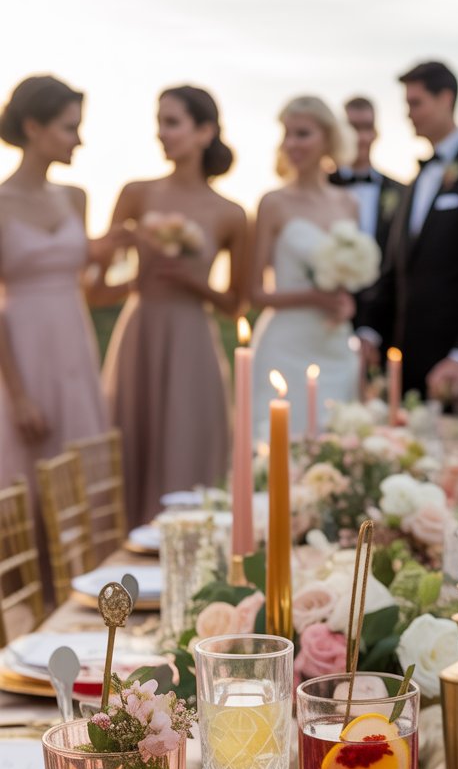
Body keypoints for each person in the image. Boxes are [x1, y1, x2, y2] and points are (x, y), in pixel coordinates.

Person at [100, 85, 247, 527]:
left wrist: (192, 283)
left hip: (191, 341)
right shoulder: (135, 194)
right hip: (139, 333)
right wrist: (131, 278)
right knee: (130, 446)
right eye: (158, 123)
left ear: (205, 131)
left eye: (172, 122)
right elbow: (93, 291)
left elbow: (235, 306)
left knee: (186, 446)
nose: (161, 133)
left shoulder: (231, 213)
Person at [358, 60, 458, 405]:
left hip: (457, 370)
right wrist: (369, 331)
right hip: (407, 363)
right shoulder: (414, 183)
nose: (408, 114)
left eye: (416, 103)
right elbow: (395, 270)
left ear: (445, 98)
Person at [0, 75, 108, 541]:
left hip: (74, 350)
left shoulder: (75, 197)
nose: (79, 140)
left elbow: (85, 287)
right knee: (21, 481)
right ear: (33, 126)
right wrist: (19, 395)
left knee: (81, 480)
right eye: (69, 128)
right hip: (21, 353)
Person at [249, 97, 369, 440]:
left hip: (334, 344)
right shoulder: (273, 203)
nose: (291, 144)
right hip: (285, 346)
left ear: (328, 139)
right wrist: (313, 296)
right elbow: (255, 292)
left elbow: (349, 282)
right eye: (287, 134)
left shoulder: (349, 204)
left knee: (337, 446)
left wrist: (346, 303)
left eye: (302, 134)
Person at [329, 96, 404, 295]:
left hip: (384, 312)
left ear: (376, 133)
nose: (361, 138)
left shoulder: (401, 192)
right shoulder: (318, 188)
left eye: (367, 128)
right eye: (353, 128)